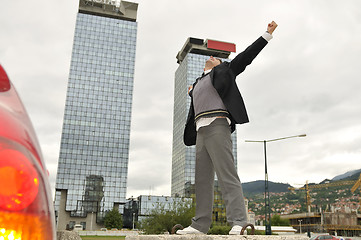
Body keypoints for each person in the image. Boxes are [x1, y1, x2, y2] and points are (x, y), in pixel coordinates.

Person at [177, 21, 278, 235]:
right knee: (202, 180)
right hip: (200, 131)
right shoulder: (196, 84)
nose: (213, 56)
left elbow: (245, 57)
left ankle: (239, 221)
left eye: (217, 57)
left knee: (227, 174)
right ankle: (199, 225)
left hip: (217, 125)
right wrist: (192, 91)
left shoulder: (225, 70)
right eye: (211, 57)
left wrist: (266, 35)